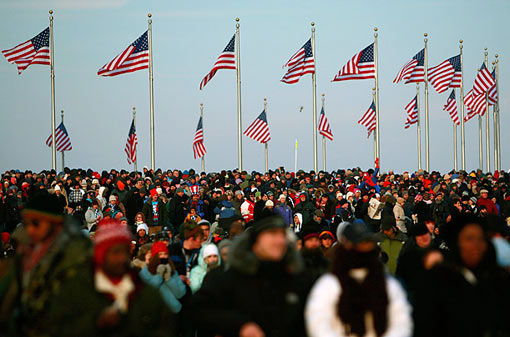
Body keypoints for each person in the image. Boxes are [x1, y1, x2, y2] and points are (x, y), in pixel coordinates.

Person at [46, 220, 175, 336]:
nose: (122, 258)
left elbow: (166, 324)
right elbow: (58, 327)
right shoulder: (78, 287)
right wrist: (96, 322)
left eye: (125, 251)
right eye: (115, 252)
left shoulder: (140, 286)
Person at [192, 215, 310, 337]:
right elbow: (198, 310)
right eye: (273, 234)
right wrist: (239, 325)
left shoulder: (294, 277)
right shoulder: (228, 276)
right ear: (256, 241)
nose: (280, 240)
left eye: (282, 235)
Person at [0, 193, 91, 336]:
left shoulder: (77, 257)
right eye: (27, 224)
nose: (30, 230)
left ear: (54, 224)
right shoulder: (23, 256)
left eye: (36, 223)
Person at [305, 222, 412, 337]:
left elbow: (401, 322)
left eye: (366, 245)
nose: (361, 251)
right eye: (358, 245)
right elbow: (319, 323)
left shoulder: (388, 284)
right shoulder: (330, 285)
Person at [413, 214, 510, 337]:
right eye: (469, 239)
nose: (476, 244)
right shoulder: (438, 280)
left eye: (481, 239)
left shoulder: (496, 278)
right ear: (456, 243)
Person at [139, 241, 186, 313]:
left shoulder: (172, 270)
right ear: (154, 256)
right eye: (160, 254)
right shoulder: (145, 272)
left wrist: (168, 279)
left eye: (165, 254)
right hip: (155, 313)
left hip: (173, 311)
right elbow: (147, 294)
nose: (163, 257)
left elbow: (180, 293)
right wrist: (159, 276)